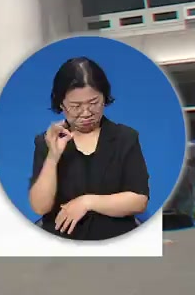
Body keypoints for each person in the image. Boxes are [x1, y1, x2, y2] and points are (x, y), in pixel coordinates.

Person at [28, 56, 150, 240]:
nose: (86, 113)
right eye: (75, 106)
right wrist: (53, 156)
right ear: (61, 104)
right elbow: (40, 207)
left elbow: (138, 200)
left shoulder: (125, 138)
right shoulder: (46, 141)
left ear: (104, 98)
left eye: (93, 103)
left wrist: (87, 202)